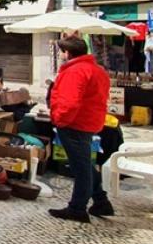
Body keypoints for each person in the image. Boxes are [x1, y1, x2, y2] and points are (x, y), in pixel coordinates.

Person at [48, 36, 114, 223]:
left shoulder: (76, 71)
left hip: (75, 124)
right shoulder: (97, 70)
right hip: (89, 122)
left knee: (81, 168)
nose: (60, 55)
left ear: (67, 53)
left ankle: (77, 209)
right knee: (85, 163)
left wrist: (59, 120)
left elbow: (70, 102)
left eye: (61, 51)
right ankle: (101, 201)